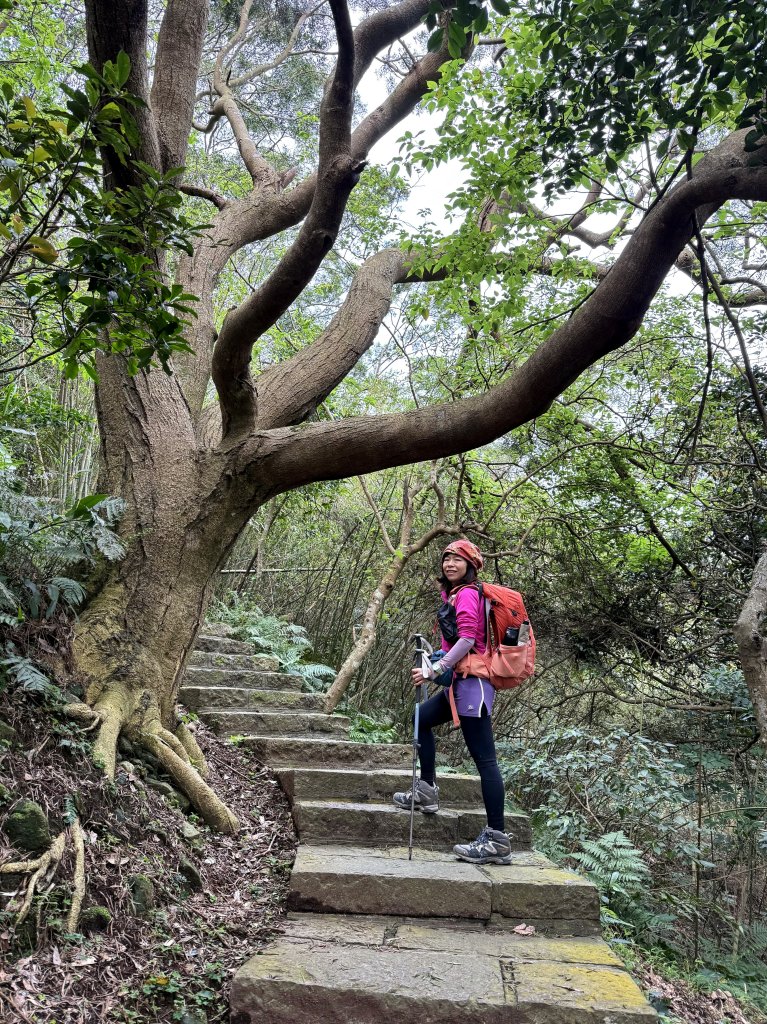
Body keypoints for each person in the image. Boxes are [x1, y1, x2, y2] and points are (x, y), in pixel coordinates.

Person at [393, 539, 512, 865]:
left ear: (470, 566)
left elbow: (468, 639)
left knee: (485, 761)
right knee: (421, 717)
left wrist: (435, 668)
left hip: (473, 688)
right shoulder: (456, 594)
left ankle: (497, 840)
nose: (450, 564)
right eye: (446, 558)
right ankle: (427, 790)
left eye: (458, 560)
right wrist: (438, 664)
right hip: (461, 686)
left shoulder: (469, 594)